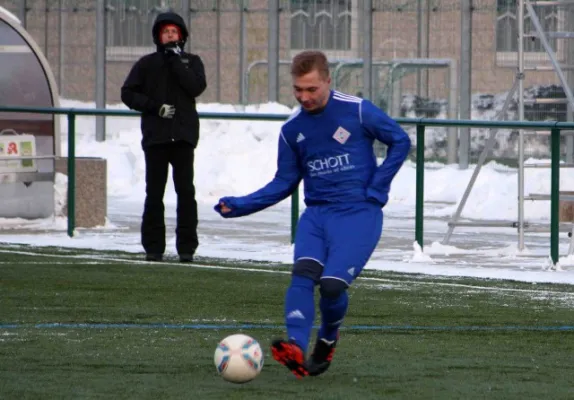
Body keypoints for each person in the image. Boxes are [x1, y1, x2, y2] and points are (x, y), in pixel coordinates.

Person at [214, 50, 411, 378]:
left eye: (311, 89)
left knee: (332, 287)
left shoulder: (357, 110)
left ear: (328, 81)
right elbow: (284, 181)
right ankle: (294, 345)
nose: (304, 97)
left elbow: (400, 141)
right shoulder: (292, 131)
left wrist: (379, 186)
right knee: (303, 274)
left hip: (358, 215)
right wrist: (241, 204)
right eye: (297, 90)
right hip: (317, 217)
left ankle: (328, 338)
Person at [121, 11, 206, 263]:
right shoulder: (147, 64)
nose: (170, 35)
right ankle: (154, 247)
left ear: (182, 35)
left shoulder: (192, 61)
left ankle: (187, 248)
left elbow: (196, 87)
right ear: (158, 36)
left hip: (183, 137)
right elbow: (128, 93)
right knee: (154, 192)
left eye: (174, 32)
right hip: (156, 138)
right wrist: (154, 107)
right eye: (165, 32)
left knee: (186, 192)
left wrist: (176, 61)